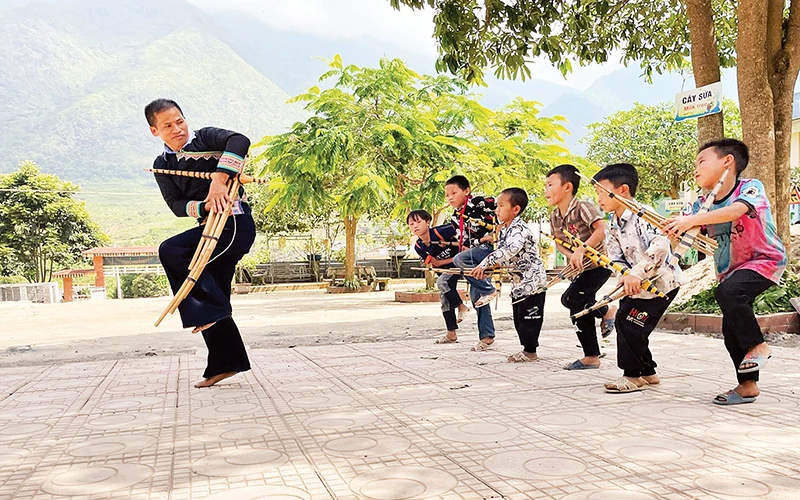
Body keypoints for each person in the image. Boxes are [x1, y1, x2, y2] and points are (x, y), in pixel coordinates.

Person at [664, 139, 786, 405]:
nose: (695, 169)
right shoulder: (700, 204)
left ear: (727, 161)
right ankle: (747, 386)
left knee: (729, 294)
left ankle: (758, 345)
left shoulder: (750, 188)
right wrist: (676, 233)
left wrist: (692, 220)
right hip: (729, 270)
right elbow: (689, 235)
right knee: (730, 328)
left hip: (764, 260)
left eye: (701, 162)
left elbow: (737, 210)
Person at [146, 98, 256, 388]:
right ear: (154, 131)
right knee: (216, 295)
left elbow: (240, 140)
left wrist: (220, 180)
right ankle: (225, 363)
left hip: (233, 225)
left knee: (171, 249)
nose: (177, 129)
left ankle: (208, 314)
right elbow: (176, 205)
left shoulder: (206, 138)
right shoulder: (162, 165)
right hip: (208, 227)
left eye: (179, 121)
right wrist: (205, 206)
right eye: (167, 125)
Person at [591, 164, 683, 392]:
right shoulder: (612, 223)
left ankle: (632, 376)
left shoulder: (645, 215)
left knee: (630, 324)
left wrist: (636, 273)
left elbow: (661, 245)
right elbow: (615, 257)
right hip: (634, 286)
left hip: (661, 284)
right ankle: (648, 372)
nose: (599, 199)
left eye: (602, 192)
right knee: (626, 322)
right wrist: (625, 276)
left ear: (622, 190)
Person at [545, 164, 614, 370]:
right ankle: (605, 314)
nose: (546, 190)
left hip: (599, 264)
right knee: (579, 302)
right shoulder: (555, 216)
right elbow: (558, 242)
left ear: (567, 187)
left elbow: (601, 229)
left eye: (550, 184)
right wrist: (570, 255)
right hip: (580, 268)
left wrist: (582, 250)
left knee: (572, 299)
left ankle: (592, 353)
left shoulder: (583, 207)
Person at [472, 188, 547, 362]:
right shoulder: (505, 229)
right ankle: (527, 350)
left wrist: (484, 264)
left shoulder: (519, 229)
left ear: (516, 209)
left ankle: (530, 351)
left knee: (530, 318)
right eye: (496, 206)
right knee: (519, 318)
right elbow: (506, 257)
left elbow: (507, 251)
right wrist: (490, 269)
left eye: (501, 206)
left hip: (532, 281)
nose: (496, 210)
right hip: (518, 283)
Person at [443, 175, 498, 351]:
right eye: (447, 195)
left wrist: (493, 235)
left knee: (459, 259)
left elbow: (502, 215)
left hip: (492, 248)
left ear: (466, 191)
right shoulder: (455, 216)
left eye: (454, 192)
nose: (450, 197)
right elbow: (466, 242)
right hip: (476, 253)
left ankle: (489, 290)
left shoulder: (482, 203)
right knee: (477, 296)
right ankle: (486, 336)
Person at [407, 209, 470, 343]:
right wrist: (445, 261)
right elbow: (435, 263)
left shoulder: (442, 231)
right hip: (445, 269)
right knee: (444, 299)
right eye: (411, 224)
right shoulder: (419, 246)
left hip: (460, 263)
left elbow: (464, 233)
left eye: (418, 222)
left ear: (428, 222)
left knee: (441, 282)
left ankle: (461, 306)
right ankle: (451, 333)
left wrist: (458, 255)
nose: (415, 226)